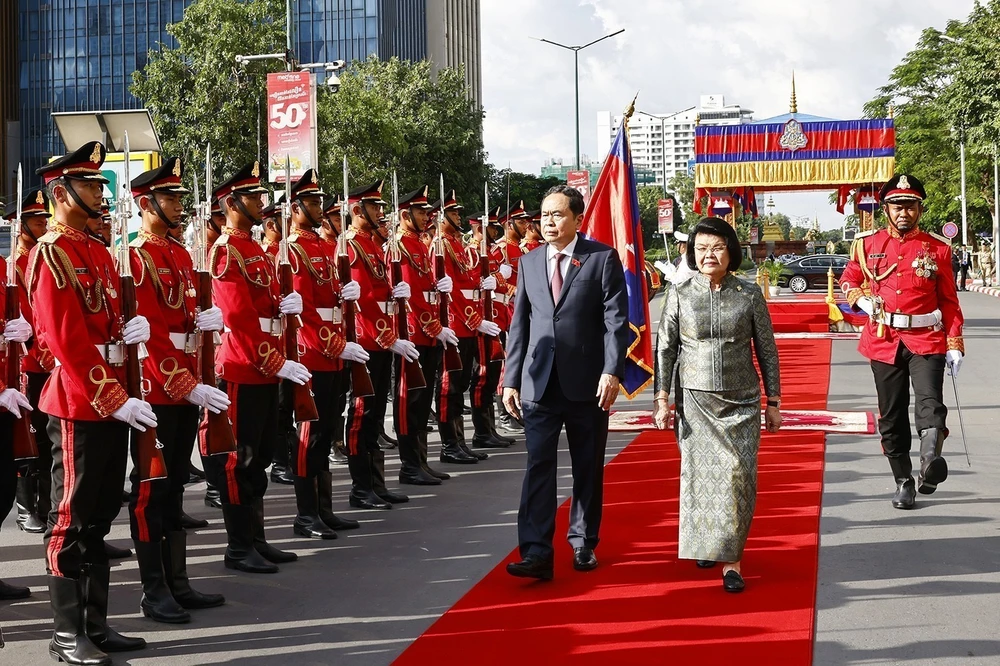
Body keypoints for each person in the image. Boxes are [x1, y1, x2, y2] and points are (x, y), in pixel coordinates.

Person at [30, 141, 154, 662]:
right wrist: (112, 397)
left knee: (101, 518)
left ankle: (96, 623)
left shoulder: (100, 251)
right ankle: (65, 632)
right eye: (89, 185)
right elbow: (65, 340)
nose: (100, 193)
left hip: (111, 397)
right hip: (81, 402)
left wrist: (132, 332)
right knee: (72, 518)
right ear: (60, 192)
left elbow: (102, 327)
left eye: (101, 185)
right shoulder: (52, 253)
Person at [503, 184, 628, 581]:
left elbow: (616, 323)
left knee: (586, 466)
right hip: (539, 384)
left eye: (558, 215)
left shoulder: (601, 259)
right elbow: (519, 324)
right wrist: (511, 378)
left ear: (577, 219)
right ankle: (537, 552)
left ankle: (583, 541)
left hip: (587, 383)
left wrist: (612, 370)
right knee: (538, 465)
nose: (549, 222)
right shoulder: (529, 262)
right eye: (545, 215)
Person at [653, 216, 782, 593]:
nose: (709, 255)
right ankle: (708, 544)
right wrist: (662, 399)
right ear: (693, 254)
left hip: (741, 400)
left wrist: (773, 400)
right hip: (694, 399)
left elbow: (767, 350)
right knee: (700, 475)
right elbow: (665, 348)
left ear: (731, 252)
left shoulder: (748, 294)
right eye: (701, 248)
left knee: (737, 476)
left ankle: (732, 560)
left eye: (717, 247)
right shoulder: (679, 293)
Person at [125, 158, 230, 622]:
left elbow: (182, 318)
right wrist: (184, 384)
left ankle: (178, 581)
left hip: (187, 388)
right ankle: (154, 589)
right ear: (146, 204)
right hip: (158, 392)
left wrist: (208, 325)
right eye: (169, 199)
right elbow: (149, 338)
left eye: (179, 199)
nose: (177, 206)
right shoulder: (135, 257)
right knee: (152, 489)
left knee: (175, 490)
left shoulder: (181, 255)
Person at [840, 174, 964, 509]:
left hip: (927, 339)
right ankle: (904, 480)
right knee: (891, 418)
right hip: (883, 339)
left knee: (930, 405)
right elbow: (849, 278)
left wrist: (954, 342)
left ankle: (928, 464)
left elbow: (949, 301)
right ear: (886, 209)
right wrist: (859, 298)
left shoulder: (937, 248)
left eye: (910, 206)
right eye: (897, 206)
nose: (903, 212)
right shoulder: (867, 244)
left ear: (919, 209)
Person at [209, 161, 307, 573]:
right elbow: (238, 317)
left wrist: (288, 309)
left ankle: (257, 537)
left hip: (266, 367)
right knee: (239, 459)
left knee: (263, 454)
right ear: (232, 203)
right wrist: (273, 360)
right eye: (253, 197)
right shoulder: (225, 250)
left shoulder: (256, 248)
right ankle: (237, 545)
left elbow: (264, 310)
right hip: (242, 367)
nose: (261, 203)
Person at [284, 168, 363, 536]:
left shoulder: (323, 246)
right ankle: (306, 514)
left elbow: (327, 300)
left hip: (333, 353)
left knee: (328, 428)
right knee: (310, 436)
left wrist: (345, 297)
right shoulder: (295, 250)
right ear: (295, 207)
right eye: (313, 202)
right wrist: (335, 345)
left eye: (319, 201)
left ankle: (324, 508)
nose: (320, 207)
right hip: (313, 355)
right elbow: (303, 312)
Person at [343, 180, 417, 509]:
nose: (380, 212)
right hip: (365, 341)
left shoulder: (371, 244)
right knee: (362, 414)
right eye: (373, 207)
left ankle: (376, 483)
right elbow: (364, 304)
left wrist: (394, 295)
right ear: (357, 211)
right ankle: (361, 487)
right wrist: (389, 337)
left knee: (374, 416)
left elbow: (379, 294)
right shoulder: (351, 245)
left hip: (381, 339)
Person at [390, 186, 458, 484]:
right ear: (405, 215)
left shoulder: (418, 244)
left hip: (428, 332)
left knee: (423, 397)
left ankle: (421, 459)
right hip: (412, 332)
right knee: (410, 400)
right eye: (420, 212)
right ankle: (408, 465)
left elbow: (425, 287)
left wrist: (440, 287)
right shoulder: (399, 245)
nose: (426, 216)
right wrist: (434, 327)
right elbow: (410, 296)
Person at [6, 189, 53, 536]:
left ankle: (46, 506)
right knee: (29, 437)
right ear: (19, 225)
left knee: (50, 442)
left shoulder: (45, 256)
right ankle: (26, 508)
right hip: (28, 362)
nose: (42, 223)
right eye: (35, 219)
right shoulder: (13, 264)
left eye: (44, 218)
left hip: (49, 358)